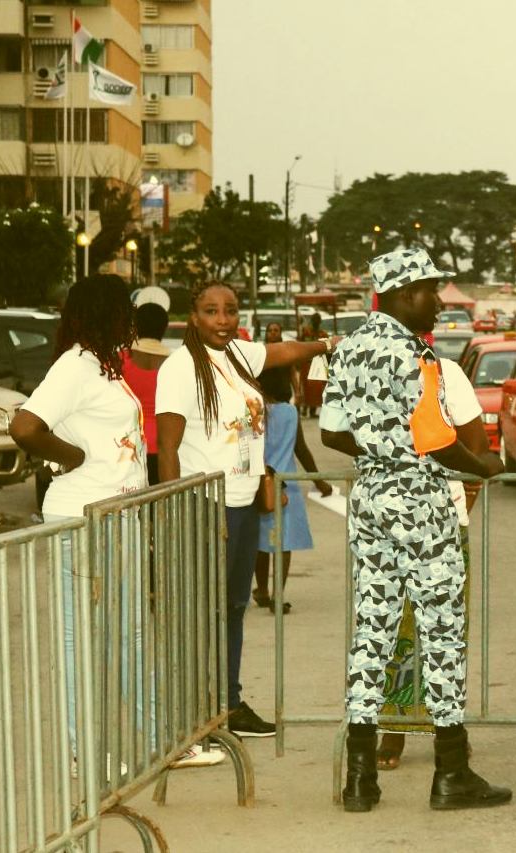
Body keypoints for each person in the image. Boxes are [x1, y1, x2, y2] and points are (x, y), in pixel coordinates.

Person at [320, 247, 511, 813]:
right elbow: (436, 440)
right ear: (405, 294)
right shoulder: (415, 354)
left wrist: (379, 451)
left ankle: (359, 781)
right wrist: (483, 466)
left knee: (372, 632)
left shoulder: (349, 349)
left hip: (371, 500)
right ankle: (451, 773)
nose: (439, 302)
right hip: (420, 504)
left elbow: (331, 432)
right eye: (432, 291)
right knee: (441, 633)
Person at [10, 275, 222, 769]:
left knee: (131, 633)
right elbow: (25, 426)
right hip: (84, 515)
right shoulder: (75, 365)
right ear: (104, 314)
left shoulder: (105, 365)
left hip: (117, 513)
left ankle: (159, 743)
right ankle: (86, 756)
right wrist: (73, 457)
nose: (130, 320)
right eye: (123, 311)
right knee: (84, 640)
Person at [156, 281, 332, 739]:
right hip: (205, 505)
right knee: (201, 613)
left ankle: (228, 704)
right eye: (211, 311)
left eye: (230, 310)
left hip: (244, 502)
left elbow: (284, 352)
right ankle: (192, 714)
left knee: (233, 607)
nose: (222, 320)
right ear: (193, 317)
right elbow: (167, 448)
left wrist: (328, 343)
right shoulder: (180, 368)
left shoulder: (237, 355)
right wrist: (173, 514)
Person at [373, 356, 487, 771]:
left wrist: (465, 498)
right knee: (388, 630)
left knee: (444, 633)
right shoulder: (367, 370)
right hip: (383, 528)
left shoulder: (445, 373)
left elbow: (478, 445)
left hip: (442, 529)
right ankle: (393, 729)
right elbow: (338, 435)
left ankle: (450, 733)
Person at [252, 367, 333, 614]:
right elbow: (302, 450)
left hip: (260, 483)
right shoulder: (290, 412)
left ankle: (262, 589)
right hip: (288, 485)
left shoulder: (256, 412)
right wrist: (319, 481)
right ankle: (279, 594)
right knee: (283, 543)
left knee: (261, 543)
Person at [124, 303, 170, 485]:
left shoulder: (118, 361)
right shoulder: (174, 363)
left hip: (129, 443)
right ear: (164, 328)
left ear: (135, 326)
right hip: (165, 444)